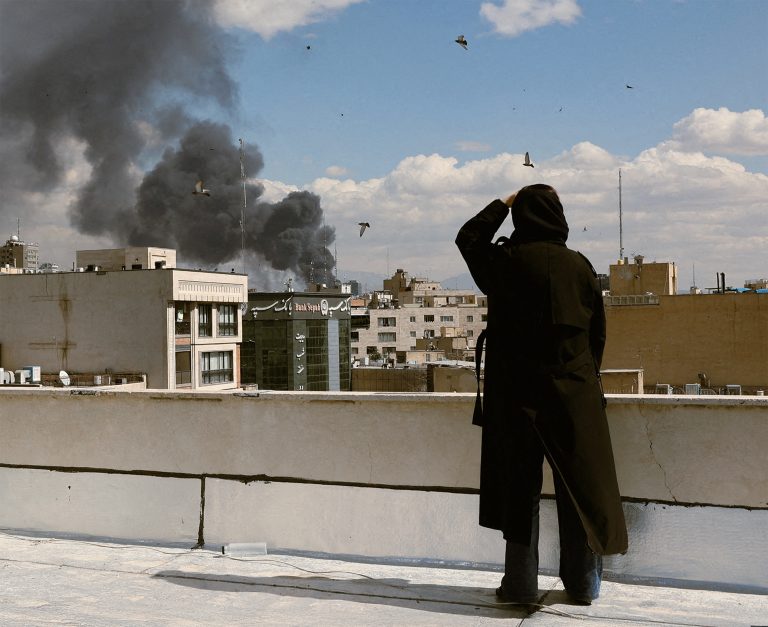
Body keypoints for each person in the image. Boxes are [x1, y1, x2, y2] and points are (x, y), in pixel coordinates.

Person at [455, 184, 627, 607]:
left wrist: (503, 203)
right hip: (574, 393)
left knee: (520, 492)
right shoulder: (580, 267)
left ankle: (520, 587)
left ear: (523, 218)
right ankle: (583, 585)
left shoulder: (505, 263)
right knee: (578, 489)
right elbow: (597, 335)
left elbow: (468, 239)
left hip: (516, 397)